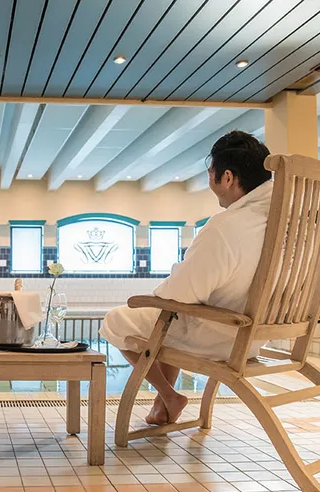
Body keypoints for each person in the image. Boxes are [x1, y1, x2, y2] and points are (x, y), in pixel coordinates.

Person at [100, 131, 273, 426]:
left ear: (227, 177)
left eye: (211, 173)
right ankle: (163, 403)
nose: (210, 180)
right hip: (258, 334)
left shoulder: (226, 226)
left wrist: (159, 293)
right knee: (166, 321)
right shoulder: (281, 220)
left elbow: (180, 293)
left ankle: (169, 395)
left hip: (224, 335)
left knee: (119, 319)